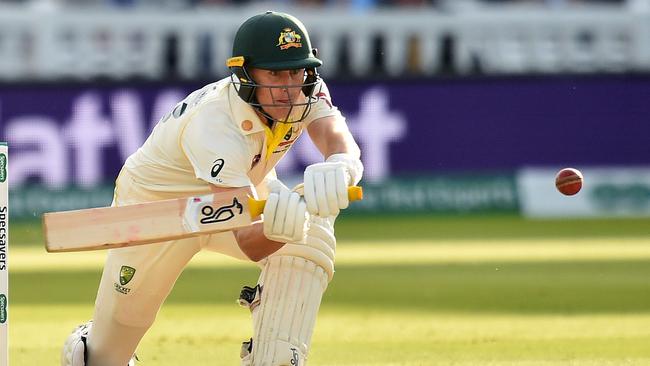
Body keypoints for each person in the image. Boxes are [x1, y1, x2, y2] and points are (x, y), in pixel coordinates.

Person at [60, 10, 363, 366]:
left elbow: (334, 137)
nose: (288, 87)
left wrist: (343, 165)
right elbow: (248, 241)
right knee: (103, 358)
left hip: (237, 190)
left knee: (312, 236)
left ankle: (277, 356)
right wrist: (284, 224)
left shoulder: (303, 92)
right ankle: (87, 346)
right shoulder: (215, 123)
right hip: (159, 214)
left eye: (296, 71)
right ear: (245, 74)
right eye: (275, 74)